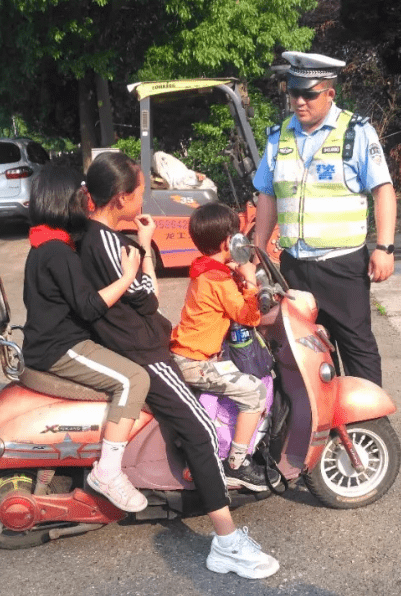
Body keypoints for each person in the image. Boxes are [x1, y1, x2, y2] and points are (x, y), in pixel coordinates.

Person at [79, 152, 279, 580]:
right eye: (138, 191)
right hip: (146, 352)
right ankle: (225, 541)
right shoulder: (111, 245)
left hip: (148, 345)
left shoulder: (99, 237)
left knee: (203, 417)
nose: (143, 198)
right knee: (203, 432)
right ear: (119, 199)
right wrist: (144, 256)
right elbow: (146, 297)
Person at [252, 51, 397, 387]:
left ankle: (367, 426)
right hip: (293, 266)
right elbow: (267, 193)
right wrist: (258, 251)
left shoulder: (356, 132)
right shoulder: (279, 136)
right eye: (293, 93)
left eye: (309, 94)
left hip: (341, 266)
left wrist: (385, 247)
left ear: (330, 93)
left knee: (356, 347)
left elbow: (383, 190)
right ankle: (317, 428)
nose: (299, 101)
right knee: (301, 351)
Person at [21, 163, 151, 513]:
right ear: (66, 200)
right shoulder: (58, 252)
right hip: (59, 349)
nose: (87, 200)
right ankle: (107, 472)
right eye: (82, 195)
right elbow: (91, 306)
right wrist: (127, 276)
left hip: (53, 341)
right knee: (134, 379)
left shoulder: (46, 242)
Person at [170, 202, 279, 492]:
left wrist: (238, 277)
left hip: (188, 356)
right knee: (255, 392)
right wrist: (250, 281)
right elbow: (250, 316)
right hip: (196, 363)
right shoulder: (218, 279)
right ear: (226, 242)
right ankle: (237, 464)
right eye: (235, 236)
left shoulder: (206, 270)